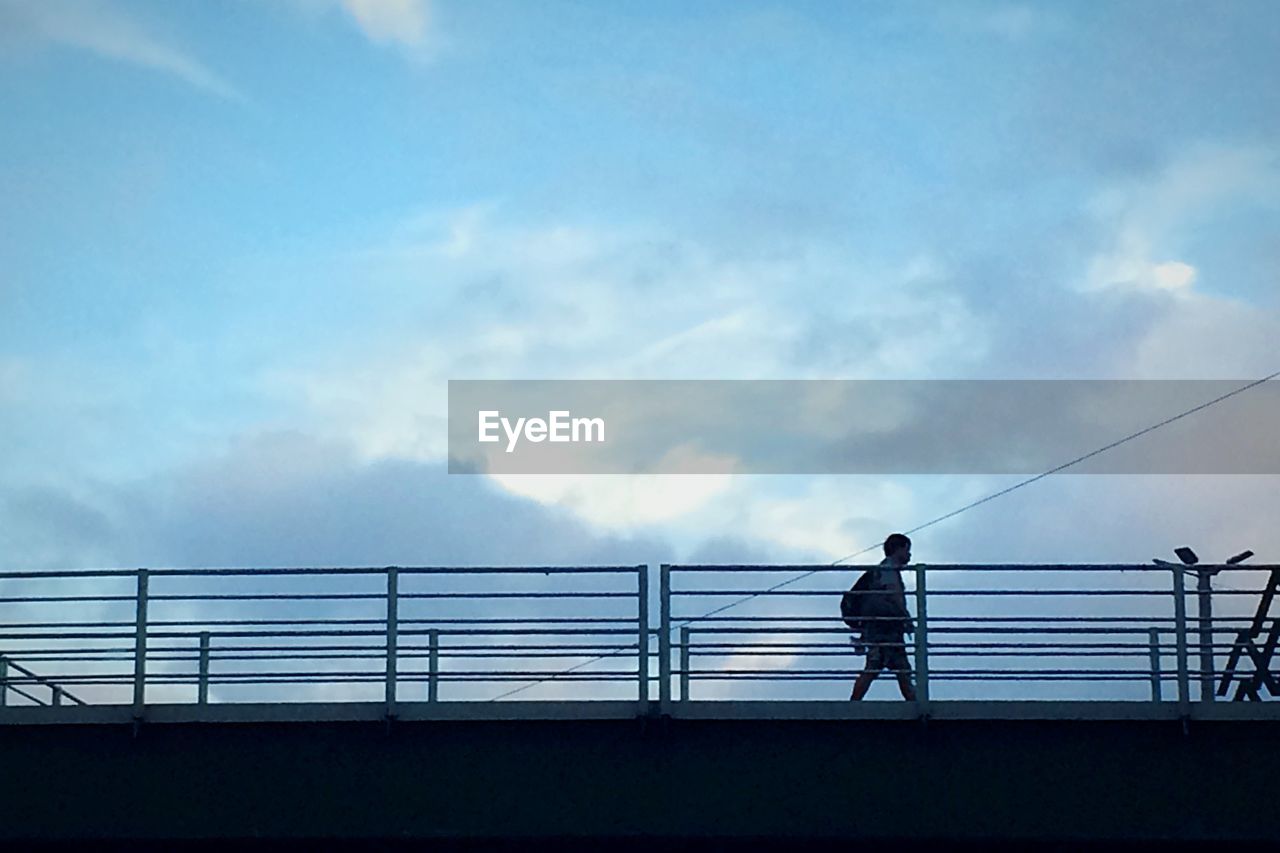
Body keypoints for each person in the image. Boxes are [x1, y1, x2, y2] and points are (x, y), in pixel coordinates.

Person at [850, 533, 916, 701]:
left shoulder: (882, 570)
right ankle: (916, 706)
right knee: (899, 669)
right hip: (886, 629)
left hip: (879, 628)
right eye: (907, 550)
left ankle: (854, 704)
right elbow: (893, 594)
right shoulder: (888, 569)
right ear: (897, 549)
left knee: (877, 667)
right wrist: (906, 618)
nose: (909, 555)